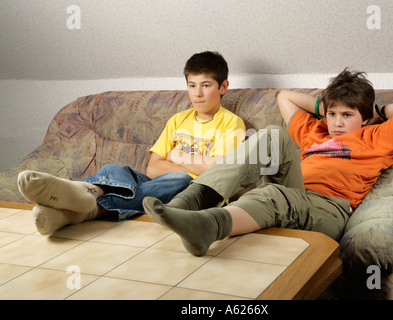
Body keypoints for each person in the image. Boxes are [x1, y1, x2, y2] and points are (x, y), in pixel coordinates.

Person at [142, 68, 393, 257]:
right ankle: (192, 200)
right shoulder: (316, 131)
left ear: (364, 117)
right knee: (271, 135)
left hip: (330, 209)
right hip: (297, 192)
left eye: (347, 116)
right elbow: (286, 98)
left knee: (270, 193)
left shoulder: (376, 136)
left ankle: (208, 227)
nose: (337, 123)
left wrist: (377, 112)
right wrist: (327, 105)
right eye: (333, 114)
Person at [17, 51, 246, 235]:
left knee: (181, 178)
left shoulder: (231, 123)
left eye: (205, 85)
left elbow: (216, 171)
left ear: (223, 87)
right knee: (115, 169)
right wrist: (193, 163)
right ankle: (74, 208)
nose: (197, 94)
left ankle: (84, 194)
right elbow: (153, 168)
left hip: (202, 195)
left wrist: (179, 157)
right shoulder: (178, 120)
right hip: (161, 184)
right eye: (192, 85)